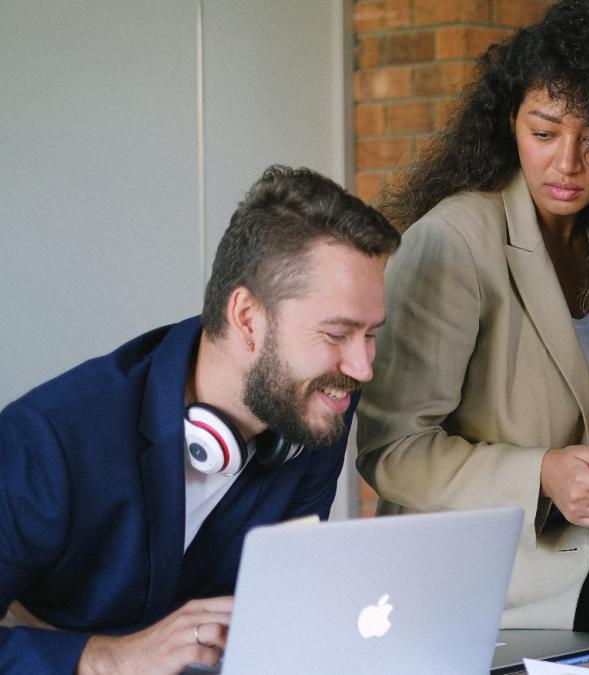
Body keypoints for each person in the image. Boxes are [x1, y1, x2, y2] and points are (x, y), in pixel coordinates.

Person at [354, 0, 589, 632]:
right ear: (510, 123)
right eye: (545, 132)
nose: (568, 163)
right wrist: (543, 474)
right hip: (499, 564)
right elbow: (392, 451)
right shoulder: (455, 238)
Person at [0, 166, 399, 674]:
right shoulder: (49, 438)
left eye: (370, 334)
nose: (362, 367)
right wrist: (103, 659)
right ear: (248, 318)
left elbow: (268, 608)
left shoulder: (319, 407)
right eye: (337, 333)